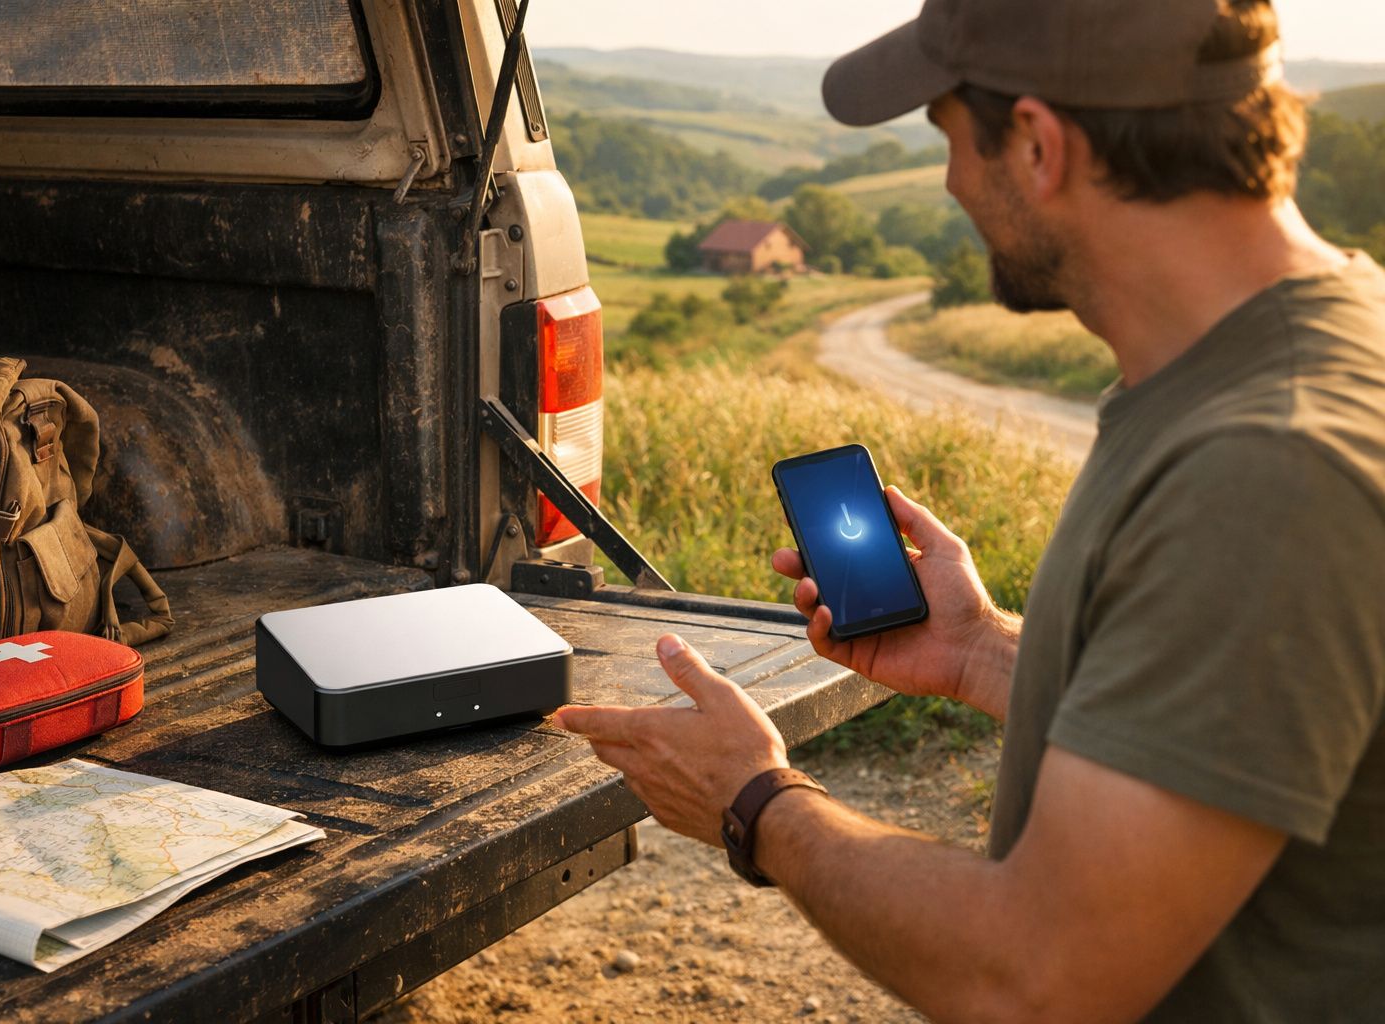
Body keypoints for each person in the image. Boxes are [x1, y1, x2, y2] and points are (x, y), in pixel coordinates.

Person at [554, 0, 1385, 1019]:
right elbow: (1259, 707)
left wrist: (754, 802)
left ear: (1037, 144)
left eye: (949, 136)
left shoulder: (1266, 465)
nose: (950, 182)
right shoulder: (1312, 351)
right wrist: (990, 653)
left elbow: (1039, 976)